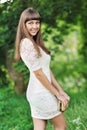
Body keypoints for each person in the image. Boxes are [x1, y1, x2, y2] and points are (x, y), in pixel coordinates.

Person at [14, 7, 70, 130]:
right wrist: (57, 94)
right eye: (30, 23)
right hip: (42, 93)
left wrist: (60, 91)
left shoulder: (35, 43)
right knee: (61, 126)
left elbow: (46, 70)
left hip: (37, 92)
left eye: (37, 22)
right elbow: (39, 74)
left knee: (39, 128)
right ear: (23, 25)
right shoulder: (27, 44)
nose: (35, 26)